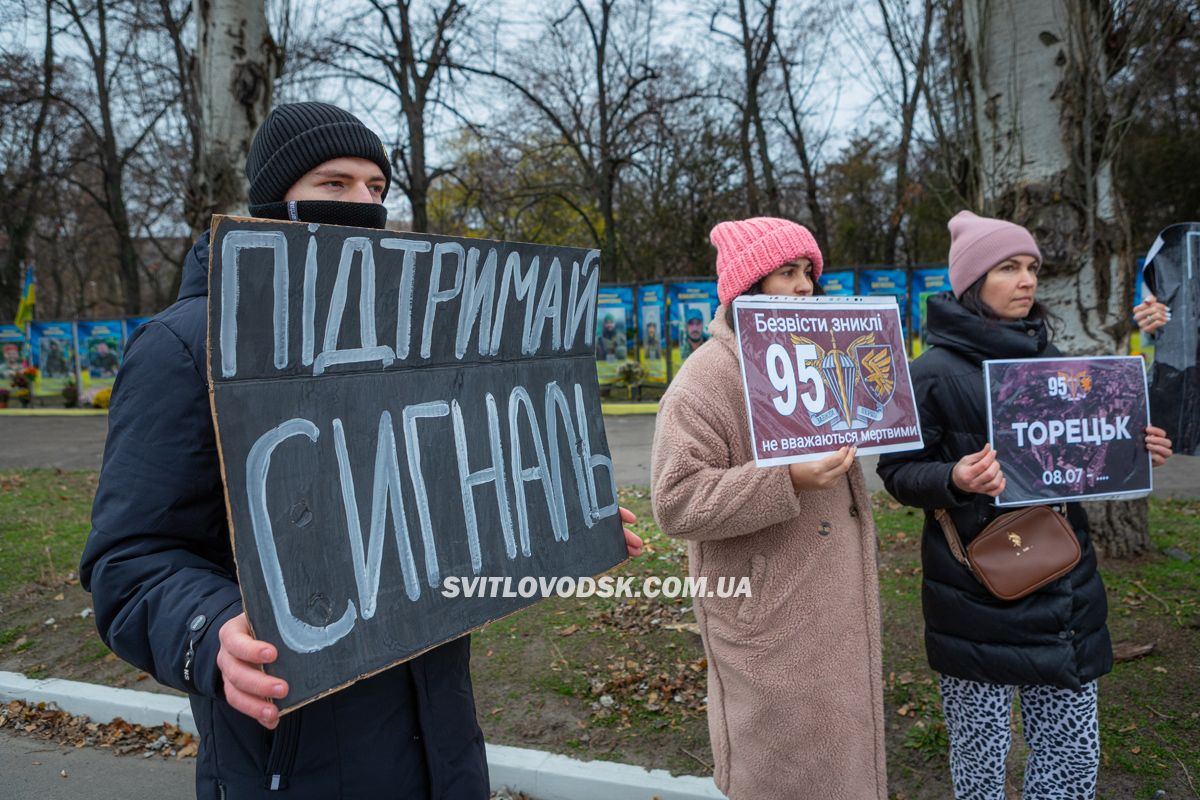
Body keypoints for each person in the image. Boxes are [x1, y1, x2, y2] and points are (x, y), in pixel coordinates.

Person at [80, 102, 643, 800]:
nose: (363, 204)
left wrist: (555, 512)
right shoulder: (185, 346)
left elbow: (445, 496)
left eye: (376, 188)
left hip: (440, 746)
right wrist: (211, 629)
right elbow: (127, 562)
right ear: (273, 198)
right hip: (295, 758)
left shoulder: (413, 340)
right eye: (334, 184)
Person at [876, 211, 1174, 799]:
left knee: (1071, 754)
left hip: (1065, 587)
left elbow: (1083, 455)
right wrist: (955, 477)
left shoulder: (1057, 360)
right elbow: (896, 473)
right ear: (970, 282)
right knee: (980, 764)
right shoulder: (929, 373)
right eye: (1008, 267)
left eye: (1032, 267)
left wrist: (1130, 445)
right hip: (976, 597)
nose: (1027, 280)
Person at [651, 217, 887, 800]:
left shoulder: (820, 355)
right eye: (787, 272)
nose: (806, 285)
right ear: (747, 286)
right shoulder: (706, 378)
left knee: (841, 764)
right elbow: (676, 500)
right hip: (769, 621)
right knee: (783, 776)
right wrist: (784, 480)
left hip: (831, 606)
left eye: (809, 271)